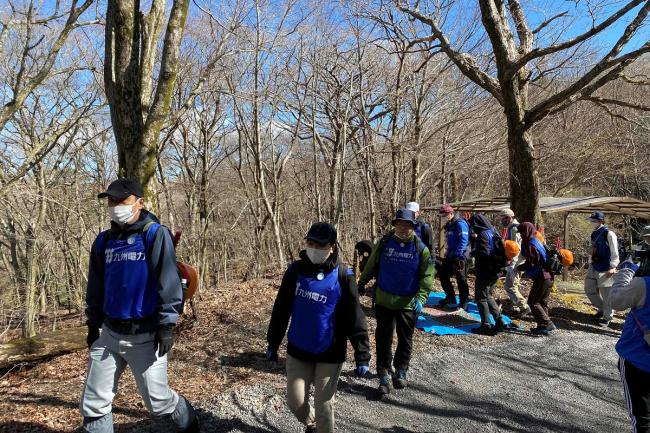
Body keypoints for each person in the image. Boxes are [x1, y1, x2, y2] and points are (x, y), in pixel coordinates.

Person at [80, 178, 199, 433]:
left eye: (122, 200)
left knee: (158, 403)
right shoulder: (103, 241)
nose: (115, 206)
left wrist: (167, 324)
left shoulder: (155, 234)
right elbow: (96, 285)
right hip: (110, 334)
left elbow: (168, 281)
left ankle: (190, 423)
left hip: (145, 336)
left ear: (140, 202)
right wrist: (92, 324)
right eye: (111, 201)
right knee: (93, 403)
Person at [266, 222, 370, 433]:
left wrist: (362, 353)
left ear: (332, 247)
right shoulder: (295, 271)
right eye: (311, 243)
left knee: (324, 407)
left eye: (320, 245)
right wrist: (273, 341)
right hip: (298, 348)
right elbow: (282, 308)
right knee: (295, 403)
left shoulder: (343, 276)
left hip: (330, 352)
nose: (314, 248)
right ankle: (311, 423)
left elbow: (355, 317)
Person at [358, 209, 433, 396]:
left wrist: (421, 297)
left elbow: (427, 275)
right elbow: (371, 265)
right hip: (384, 300)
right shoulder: (384, 243)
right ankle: (383, 374)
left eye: (407, 225)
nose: (403, 228)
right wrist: (361, 283)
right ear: (395, 225)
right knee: (383, 339)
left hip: (408, 303)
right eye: (400, 224)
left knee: (405, 339)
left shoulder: (420, 248)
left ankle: (401, 369)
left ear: (413, 227)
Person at [610, 262, 650, 433]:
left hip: (638, 359)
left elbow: (616, 301)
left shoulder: (644, 284)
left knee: (642, 419)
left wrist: (626, 272)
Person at [468, 214, 507, 335]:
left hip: (485, 271)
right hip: (495, 270)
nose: (472, 228)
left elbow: (484, 253)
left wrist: (473, 252)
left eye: (473, 225)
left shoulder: (483, 235)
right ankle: (499, 321)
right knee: (488, 296)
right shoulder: (494, 231)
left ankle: (485, 325)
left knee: (481, 298)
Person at [518, 222, 556, 336]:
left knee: (533, 302)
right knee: (542, 302)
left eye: (521, 232)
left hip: (542, 277)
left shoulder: (530, 244)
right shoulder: (536, 240)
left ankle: (547, 323)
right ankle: (542, 326)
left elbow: (533, 262)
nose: (520, 234)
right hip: (549, 276)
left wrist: (520, 267)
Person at [584, 211, 619, 327]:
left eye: (593, 220)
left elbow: (615, 252)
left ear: (600, 221)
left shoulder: (609, 234)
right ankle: (602, 309)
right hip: (594, 265)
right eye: (591, 220)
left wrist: (613, 267)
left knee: (607, 294)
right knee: (589, 289)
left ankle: (607, 317)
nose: (592, 223)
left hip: (606, 268)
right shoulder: (594, 233)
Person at [437, 204, 470, 309]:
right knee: (443, 274)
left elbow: (464, 240)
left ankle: (464, 302)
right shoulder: (450, 224)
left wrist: (458, 255)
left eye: (445, 215)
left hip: (460, 256)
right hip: (451, 255)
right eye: (442, 215)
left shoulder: (460, 223)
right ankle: (450, 297)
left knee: (461, 279)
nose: (443, 217)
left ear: (451, 213)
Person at [499, 208, 530, 314]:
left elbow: (516, 249)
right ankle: (514, 307)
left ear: (509, 218)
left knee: (510, 286)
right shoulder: (512, 228)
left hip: (517, 263)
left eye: (503, 218)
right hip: (517, 262)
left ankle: (524, 307)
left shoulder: (514, 229)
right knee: (512, 285)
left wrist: (512, 265)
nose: (501, 220)